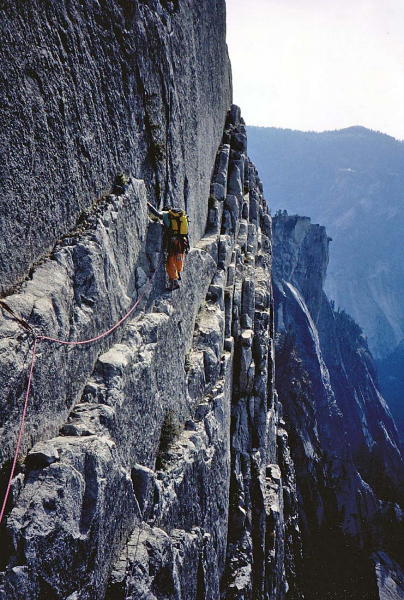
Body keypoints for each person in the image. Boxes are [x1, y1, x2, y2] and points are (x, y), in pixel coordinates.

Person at [147, 202, 189, 291]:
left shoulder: (166, 214)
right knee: (178, 258)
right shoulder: (180, 218)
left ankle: (174, 282)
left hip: (173, 242)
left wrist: (148, 205)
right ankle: (177, 276)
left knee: (170, 261)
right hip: (182, 242)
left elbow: (157, 214)